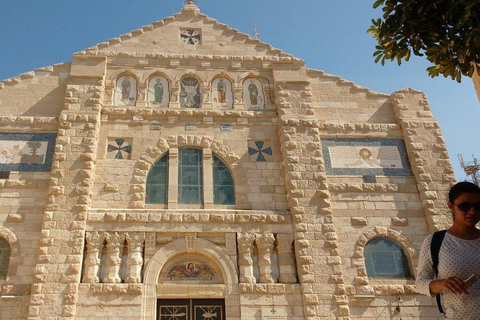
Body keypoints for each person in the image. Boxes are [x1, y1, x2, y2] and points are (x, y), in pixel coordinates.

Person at [416, 181, 480, 319]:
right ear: (451, 206)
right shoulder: (435, 241)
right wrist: (443, 284)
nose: (472, 211)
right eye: (464, 206)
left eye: (478, 206)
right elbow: (420, 283)